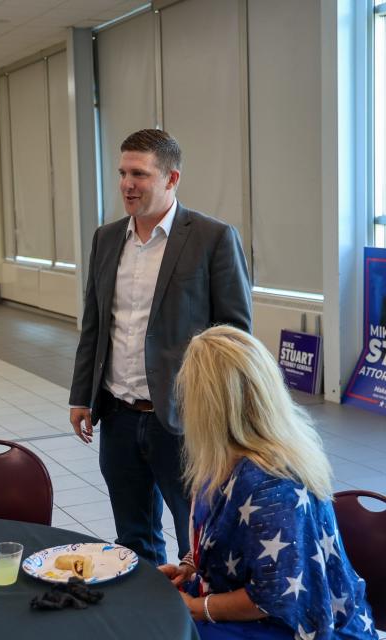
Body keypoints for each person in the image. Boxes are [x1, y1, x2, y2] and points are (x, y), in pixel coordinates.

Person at [69, 128, 253, 566]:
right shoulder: (106, 238)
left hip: (185, 419)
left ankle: (197, 625)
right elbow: (94, 324)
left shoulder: (212, 238)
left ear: (171, 179)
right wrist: (81, 396)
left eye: (139, 174)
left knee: (199, 538)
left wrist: (225, 418)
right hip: (116, 415)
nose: (127, 184)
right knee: (133, 538)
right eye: (122, 173)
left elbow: (235, 338)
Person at [159, 326, 376, 639]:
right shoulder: (226, 458)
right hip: (246, 605)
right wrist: (190, 568)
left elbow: (272, 598)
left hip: (289, 623)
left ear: (210, 407)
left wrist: (195, 607)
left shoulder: (273, 485)